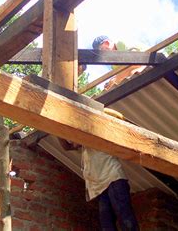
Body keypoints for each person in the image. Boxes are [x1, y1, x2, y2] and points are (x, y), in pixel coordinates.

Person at [58, 36, 140, 231]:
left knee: (126, 219)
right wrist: (55, 127)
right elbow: (68, 145)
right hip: (95, 183)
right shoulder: (80, 139)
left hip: (112, 177)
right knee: (106, 225)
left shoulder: (96, 117)